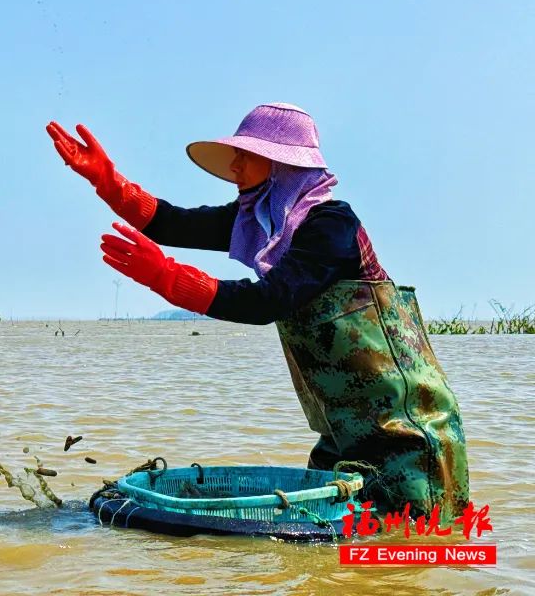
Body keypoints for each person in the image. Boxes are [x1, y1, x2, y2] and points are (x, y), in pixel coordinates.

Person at [47, 102, 469, 521]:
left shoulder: (331, 225)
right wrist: (107, 181)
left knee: (417, 549)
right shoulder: (264, 222)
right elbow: (176, 223)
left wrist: (168, 278)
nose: (233, 167)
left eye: (243, 156)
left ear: (280, 163)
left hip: (406, 437)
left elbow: (269, 300)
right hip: (339, 437)